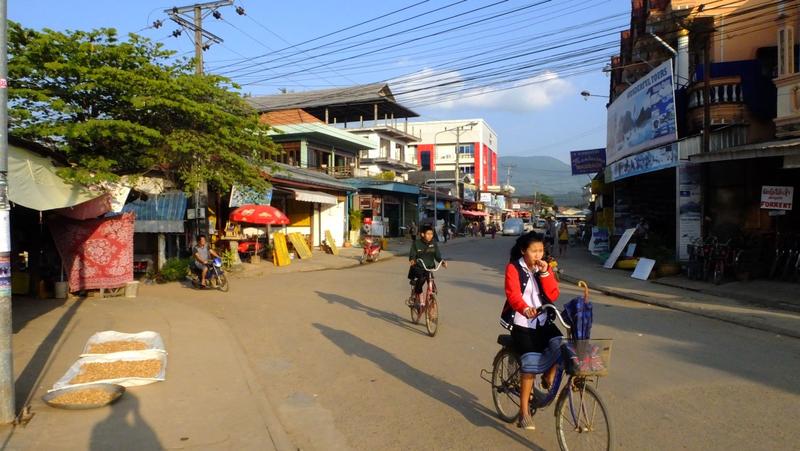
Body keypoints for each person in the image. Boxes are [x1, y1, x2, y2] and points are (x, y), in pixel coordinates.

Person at [504, 232, 561, 430]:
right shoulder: (513, 268)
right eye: (534, 251)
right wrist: (524, 308)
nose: (538, 255)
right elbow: (512, 295)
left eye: (541, 250)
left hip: (543, 319)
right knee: (529, 364)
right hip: (522, 322)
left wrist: (546, 273)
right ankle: (524, 413)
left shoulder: (543, 268)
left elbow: (553, 294)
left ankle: (547, 376)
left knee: (560, 344)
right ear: (523, 251)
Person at [407, 225, 447, 305]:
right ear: (422, 234)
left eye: (431, 234)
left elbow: (437, 256)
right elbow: (412, 255)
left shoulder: (434, 243)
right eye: (428, 234)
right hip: (418, 267)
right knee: (421, 279)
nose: (430, 236)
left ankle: (430, 298)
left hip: (429, 268)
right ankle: (419, 298)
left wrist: (442, 262)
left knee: (430, 280)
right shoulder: (416, 243)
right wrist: (412, 260)